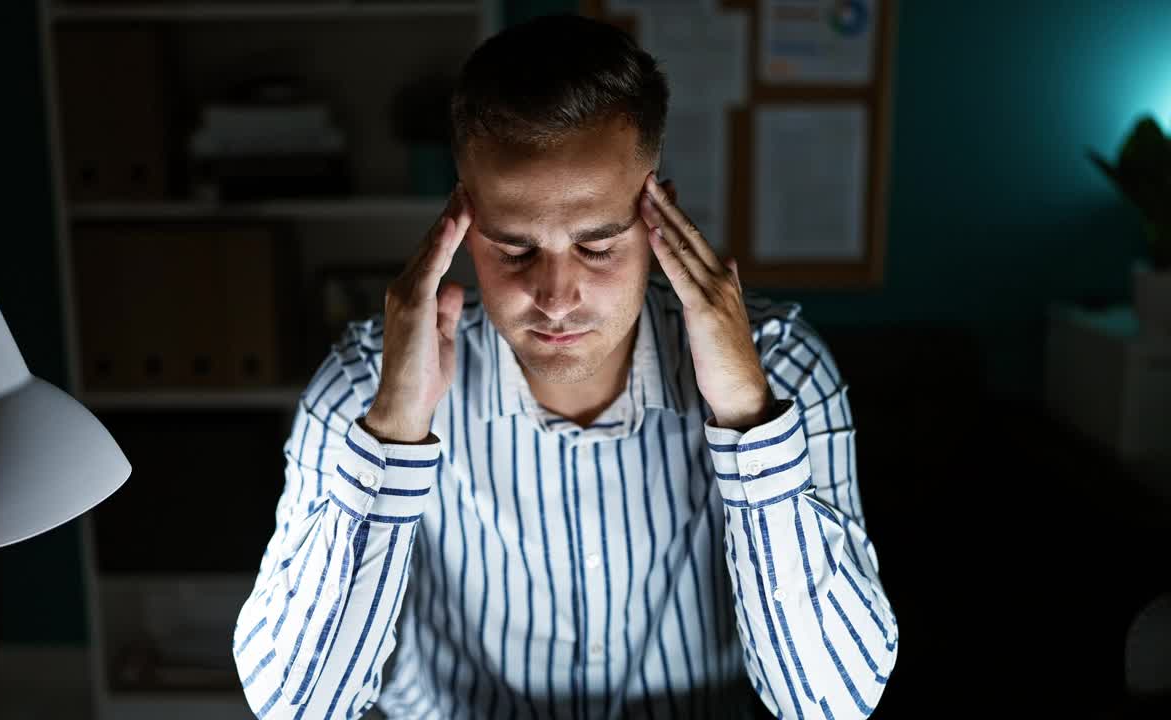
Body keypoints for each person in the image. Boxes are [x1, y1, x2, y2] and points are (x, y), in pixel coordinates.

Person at [233, 13, 897, 720]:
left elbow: (831, 703)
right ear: (462, 219)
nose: (556, 298)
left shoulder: (779, 368)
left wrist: (746, 418)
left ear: (656, 213)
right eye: (515, 249)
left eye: (598, 245)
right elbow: (297, 706)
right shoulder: (366, 386)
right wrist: (394, 432)